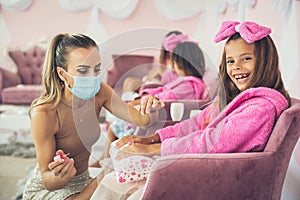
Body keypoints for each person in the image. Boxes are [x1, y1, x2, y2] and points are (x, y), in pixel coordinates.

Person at [90, 21, 291, 199]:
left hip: (210, 178)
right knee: (112, 180)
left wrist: (152, 150)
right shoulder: (236, 101)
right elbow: (197, 122)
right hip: (195, 165)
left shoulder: (261, 108)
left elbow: (212, 142)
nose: (236, 67)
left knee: (121, 185)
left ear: (266, 61)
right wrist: (152, 138)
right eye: (230, 61)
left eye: (246, 59)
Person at [22, 33, 157, 200]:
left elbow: (142, 120)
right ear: (63, 74)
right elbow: (48, 181)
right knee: (112, 177)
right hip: (51, 191)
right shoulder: (44, 113)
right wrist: (61, 174)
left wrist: (149, 103)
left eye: (97, 69)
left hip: (84, 183)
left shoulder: (100, 92)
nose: (92, 78)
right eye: (83, 71)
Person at [100, 40, 209, 160]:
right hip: (153, 106)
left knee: (114, 124)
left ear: (178, 63)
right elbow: (164, 91)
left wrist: (142, 100)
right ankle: (105, 158)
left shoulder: (189, 84)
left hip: (159, 112)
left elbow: (165, 98)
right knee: (121, 109)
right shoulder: (185, 80)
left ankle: (105, 159)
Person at [122, 30, 184, 94]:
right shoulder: (165, 59)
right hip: (158, 81)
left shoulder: (180, 62)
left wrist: (162, 74)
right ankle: (123, 102)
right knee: (128, 81)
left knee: (132, 84)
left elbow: (176, 78)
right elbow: (162, 70)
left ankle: (125, 102)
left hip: (165, 85)